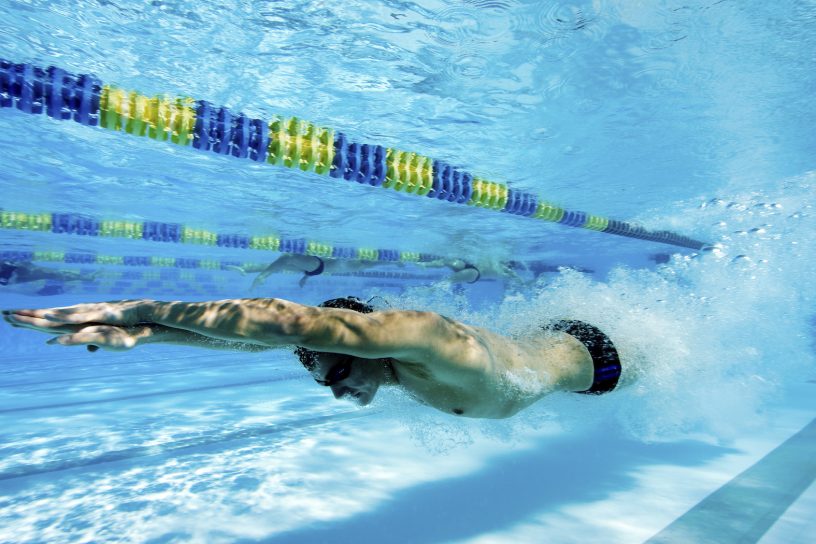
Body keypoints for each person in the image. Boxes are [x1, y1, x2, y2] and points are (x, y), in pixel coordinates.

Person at [2, 295, 622, 419]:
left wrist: (133, 310)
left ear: (368, 343)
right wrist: (152, 337)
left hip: (604, 358)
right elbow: (251, 340)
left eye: (344, 370)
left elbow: (288, 322)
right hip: (553, 351)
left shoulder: (434, 341)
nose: (340, 389)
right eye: (330, 383)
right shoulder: (396, 368)